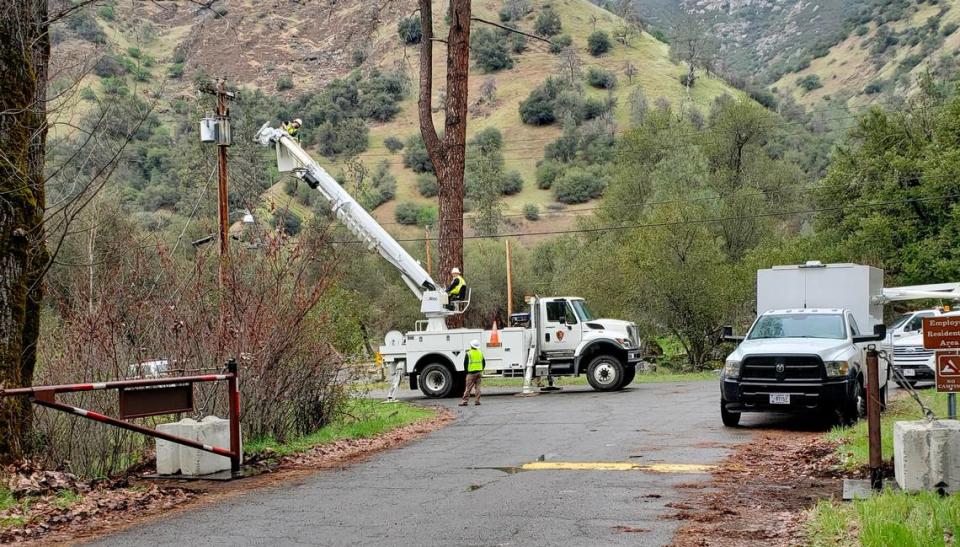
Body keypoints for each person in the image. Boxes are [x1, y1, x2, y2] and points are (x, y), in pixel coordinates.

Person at [459, 339, 485, 406]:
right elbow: (484, 363)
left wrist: (466, 372)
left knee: (468, 388)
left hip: (471, 373)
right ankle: (477, 401)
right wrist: (481, 369)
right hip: (479, 372)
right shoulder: (480, 353)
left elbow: (465, 363)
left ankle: (464, 401)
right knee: (478, 387)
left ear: (471, 346)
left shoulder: (469, 353)